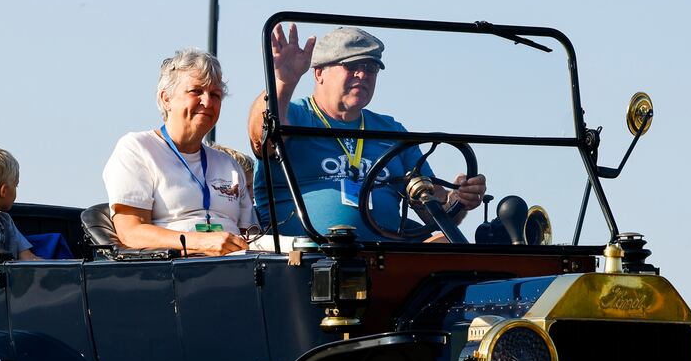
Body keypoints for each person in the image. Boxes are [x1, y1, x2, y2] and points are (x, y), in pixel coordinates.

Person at [247, 24, 488, 239]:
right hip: (306, 262)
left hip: (387, 265)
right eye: (351, 66)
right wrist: (283, 84)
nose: (362, 74)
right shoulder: (294, 114)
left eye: (370, 68)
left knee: (455, 249)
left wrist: (459, 200)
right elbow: (261, 138)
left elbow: (433, 212)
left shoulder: (390, 131)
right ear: (318, 72)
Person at [102, 48, 257, 255]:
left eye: (215, 94)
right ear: (166, 99)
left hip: (236, 268)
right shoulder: (137, 148)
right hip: (173, 275)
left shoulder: (229, 164)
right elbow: (131, 232)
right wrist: (202, 243)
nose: (207, 102)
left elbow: (252, 236)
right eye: (196, 91)